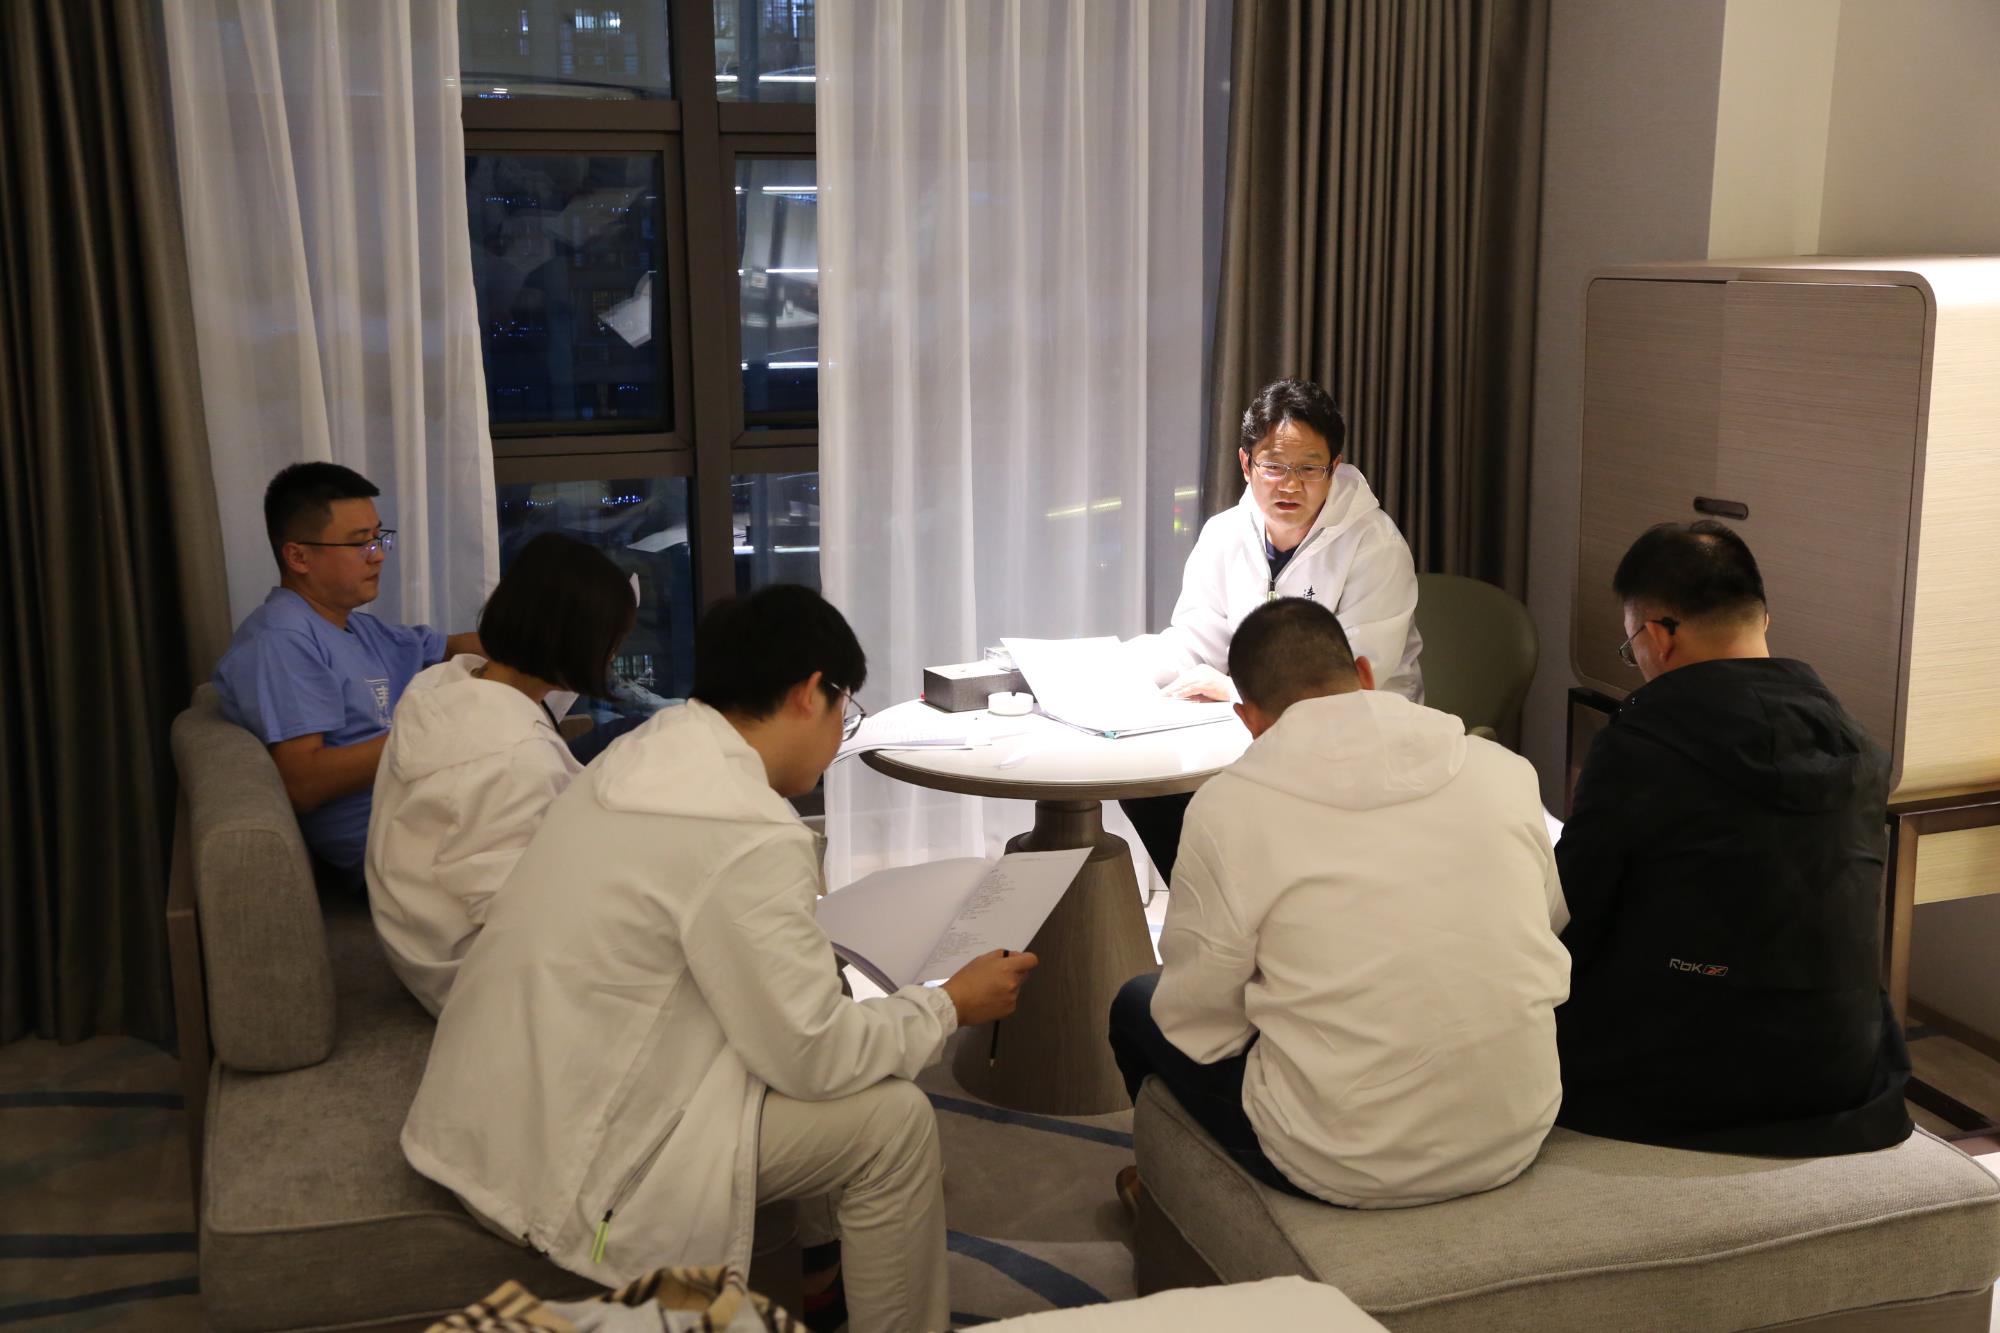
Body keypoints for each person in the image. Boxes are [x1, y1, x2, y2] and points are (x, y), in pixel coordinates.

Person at [402, 585, 1039, 1333]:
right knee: (892, 1124)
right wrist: (949, 1004)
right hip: (564, 1159)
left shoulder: (648, 751)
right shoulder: (746, 832)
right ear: (810, 692)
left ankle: (819, 1279)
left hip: (487, 1111)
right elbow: (814, 1055)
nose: (841, 733)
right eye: (846, 710)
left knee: (826, 1015)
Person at [1109, 597, 1568, 1209]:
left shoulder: (1229, 810)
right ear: (1365, 674)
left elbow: (1200, 1022)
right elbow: (1549, 920)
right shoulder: (1502, 769)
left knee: (1135, 1005)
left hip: (1339, 1159)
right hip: (1518, 1125)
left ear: (1248, 718)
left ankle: (1162, 1196)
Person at [1555, 521, 1912, 1155]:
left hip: (1687, 1081)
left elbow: (1571, 911)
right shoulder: (1855, 741)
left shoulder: (1643, 742)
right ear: (1763, 619)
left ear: (1659, 635)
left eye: (1631, 643)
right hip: (1842, 1074)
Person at [1122, 378, 1424, 878]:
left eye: (1308, 468)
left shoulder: (1374, 546)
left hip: (1358, 739)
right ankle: (1216, 904)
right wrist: (1124, 669)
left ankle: (1252, 905)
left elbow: (1350, 683)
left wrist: (1233, 690)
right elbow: (1196, 640)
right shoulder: (1224, 533)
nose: (1290, 484)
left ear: (1335, 466)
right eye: (1275, 466)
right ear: (1246, 464)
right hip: (1250, 728)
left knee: (1238, 808)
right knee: (1148, 785)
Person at [365, 533, 636, 1017]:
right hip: (474, 978)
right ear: (577, 642)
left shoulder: (440, 683)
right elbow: (513, 915)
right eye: (610, 642)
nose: (612, 657)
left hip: (417, 937)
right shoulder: (514, 757)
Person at [212, 463, 480, 883]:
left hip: (441, 815)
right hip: (404, 850)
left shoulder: (356, 626)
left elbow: (450, 647)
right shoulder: (282, 640)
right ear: (298, 556)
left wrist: (538, 642)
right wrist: (437, 733)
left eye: (378, 537)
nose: (378, 555)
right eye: (359, 543)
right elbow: (303, 782)